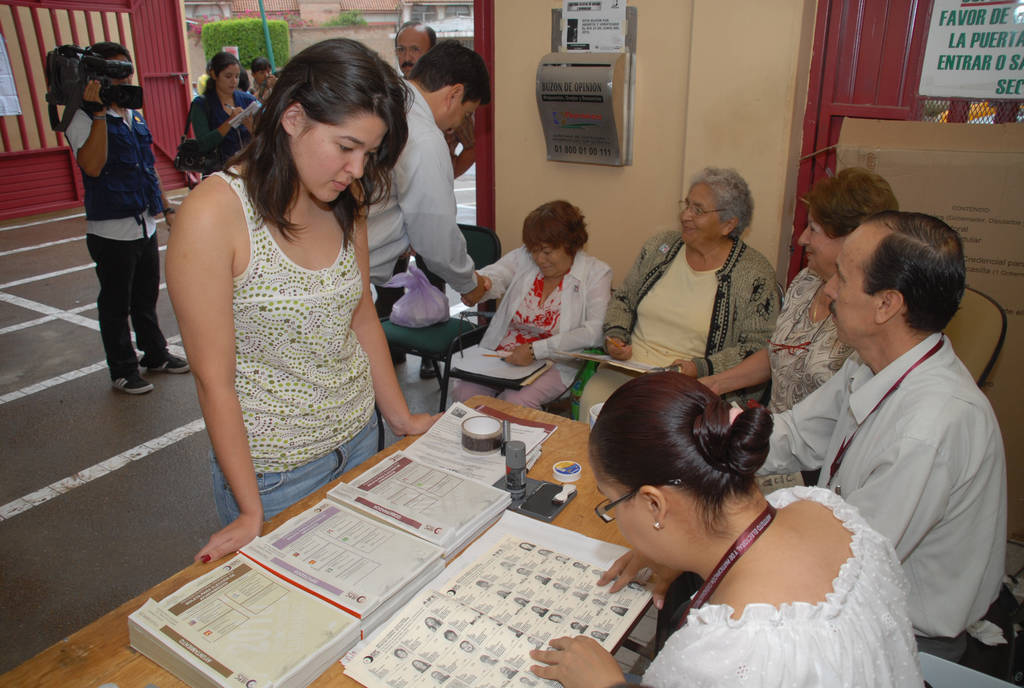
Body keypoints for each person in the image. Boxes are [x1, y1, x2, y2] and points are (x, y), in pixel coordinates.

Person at [166, 38, 436, 564]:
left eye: (370, 153)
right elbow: (212, 379)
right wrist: (249, 511)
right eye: (346, 147)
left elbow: (361, 317)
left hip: (361, 438)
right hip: (276, 474)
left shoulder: (344, 200)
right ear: (292, 118)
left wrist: (399, 417)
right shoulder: (213, 215)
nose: (358, 169)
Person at [528, 373, 922, 687]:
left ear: (654, 504)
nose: (614, 513)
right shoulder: (818, 509)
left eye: (611, 501)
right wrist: (679, 554)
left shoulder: (729, 653)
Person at [762, 211, 1006, 661]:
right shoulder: (872, 363)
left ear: (886, 305)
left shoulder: (931, 427)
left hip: (899, 638)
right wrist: (707, 443)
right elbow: (794, 435)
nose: (829, 289)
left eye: (841, 276)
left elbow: (840, 564)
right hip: (847, 589)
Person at [579, 167, 779, 417]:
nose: (685, 215)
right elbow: (623, 299)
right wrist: (616, 337)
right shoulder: (660, 247)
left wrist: (700, 368)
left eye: (698, 210)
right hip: (629, 370)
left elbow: (758, 348)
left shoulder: (754, 273)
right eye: (686, 205)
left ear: (728, 224)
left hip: (692, 384)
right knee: (596, 398)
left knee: (653, 422)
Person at [700, 167, 899, 412]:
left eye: (813, 229)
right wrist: (713, 383)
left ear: (853, 238)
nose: (802, 239)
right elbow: (778, 353)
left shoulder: (871, 311)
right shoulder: (806, 280)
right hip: (778, 436)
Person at [65, 41, 189, 394]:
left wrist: (165, 207)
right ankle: (122, 368)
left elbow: (147, 167)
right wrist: (100, 112)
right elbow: (91, 165)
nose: (122, 77)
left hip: (143, 223)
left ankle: (155, 354)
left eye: (126, 69)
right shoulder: (82, 117)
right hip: (111, 229)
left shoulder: (134, 113)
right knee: (116, 303)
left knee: (145, 295)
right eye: (113, 70)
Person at [368, 40, 491, 377]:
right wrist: (468, 283)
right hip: (346, 270)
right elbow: (434, 234)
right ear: (453, 93)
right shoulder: (423, 134)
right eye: (465, 114)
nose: (455, 126)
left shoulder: (387, 101)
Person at [455, 200, 612, 408]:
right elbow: (498, 273)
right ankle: (482, 439)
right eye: (534, 250)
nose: (539, 259)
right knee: (465, 392)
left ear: (571, 246)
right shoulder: (525, 257)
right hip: (505, 352)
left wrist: (535, 350)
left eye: (547, 252)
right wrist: (482, 283)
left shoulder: (596, 273)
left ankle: (516, 440)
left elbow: (594, 332)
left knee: (517, 401)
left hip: (555, 360)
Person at [395, 21, 475, 179]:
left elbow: (472, 147)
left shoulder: (449, 97)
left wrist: (446, 177)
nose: (407, 57)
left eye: (415, 49)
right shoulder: (391, 93)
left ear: (432, 53)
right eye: (401, 49)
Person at [188, 51, 258, 170]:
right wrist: (230, 122)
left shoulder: (248, 100)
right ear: (214, 75)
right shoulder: (201, 104)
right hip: (218, 172)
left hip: (249, 170)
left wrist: (251, 127)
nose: (234, 81)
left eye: (237, 76)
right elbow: (203, 144)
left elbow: (265, 137)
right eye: (228, 76)